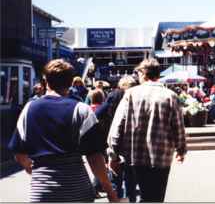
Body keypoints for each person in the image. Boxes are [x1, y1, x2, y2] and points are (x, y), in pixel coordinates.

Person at [8, 59, 118, 202]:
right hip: (77, 192)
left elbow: (19, 153)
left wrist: (35, 171)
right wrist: (110, 192)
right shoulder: (81, 110)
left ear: (45, 80)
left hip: (42, 191)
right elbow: (95, 158)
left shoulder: (29, 109)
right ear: (70, 82)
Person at [108, 58, 186, 202]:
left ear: (143, 74)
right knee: (156, 198)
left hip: (134, 156)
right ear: (157, 74)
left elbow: (117, 127)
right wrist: (181, 149)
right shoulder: (170, 96)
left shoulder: (130, 94)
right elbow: (178, 126)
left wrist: (113, 155)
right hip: (161, 158)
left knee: (139, 196)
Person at [95, 75, 137, 202]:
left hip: (114, 139)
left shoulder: (114, 95)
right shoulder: (137, 97)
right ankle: (131, 200)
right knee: (131, 180)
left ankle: (116, 199)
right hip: (132, 142)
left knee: (115, 175)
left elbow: (97, 114)